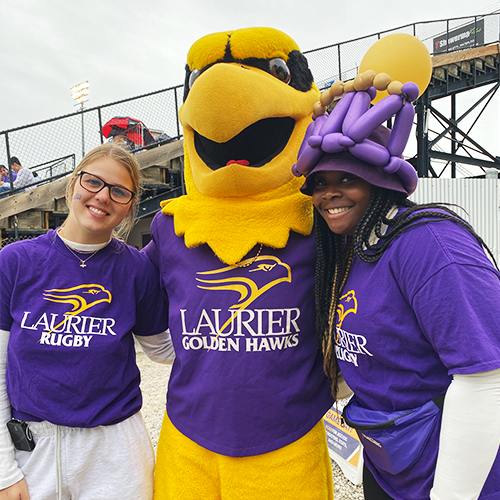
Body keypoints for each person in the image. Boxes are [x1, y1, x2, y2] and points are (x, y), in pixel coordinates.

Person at [294, 85, 500, 499]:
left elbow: (486, 379)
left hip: (456, 473)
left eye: (348, 178)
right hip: (390, 464)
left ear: (381, 183)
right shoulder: (352, 246)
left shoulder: (429, 244)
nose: (328, 193)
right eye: (320, 182)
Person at [0, 143, 173, 500]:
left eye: (119, 191)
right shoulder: (16, 261)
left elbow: (164, 349)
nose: (103, 197)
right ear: (72, 185)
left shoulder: (136, 269)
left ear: (129, 207)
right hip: (34, 452)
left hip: (115, 453)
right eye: (93, 182)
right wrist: (4, 470)